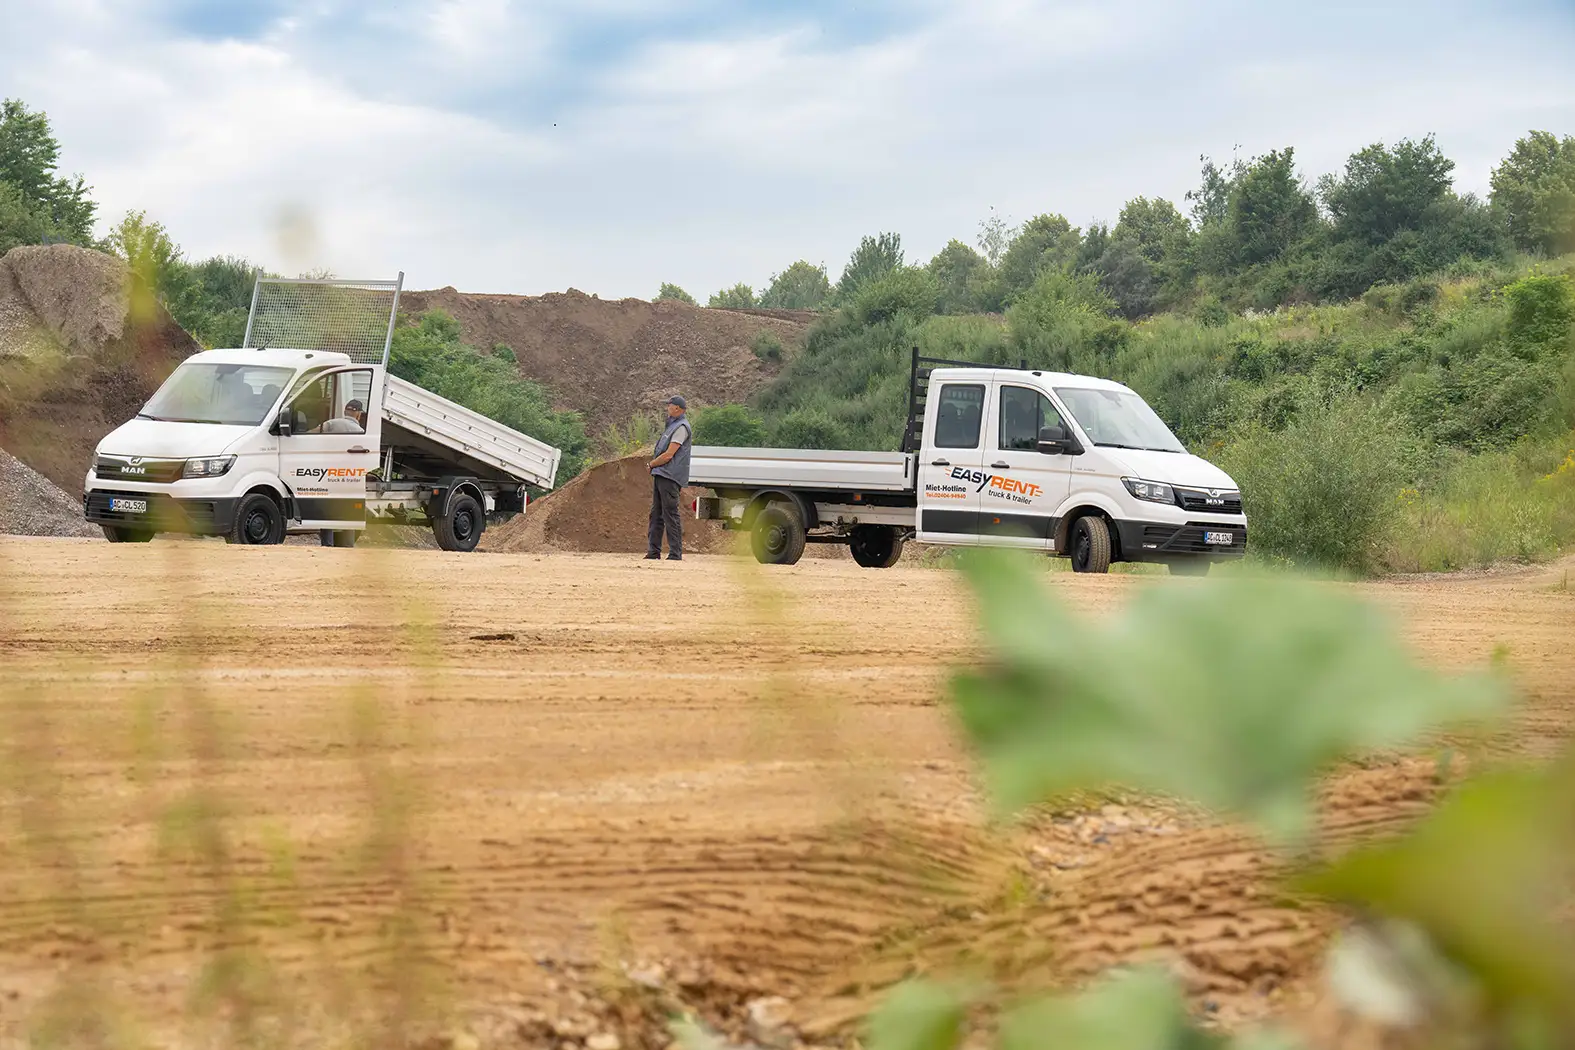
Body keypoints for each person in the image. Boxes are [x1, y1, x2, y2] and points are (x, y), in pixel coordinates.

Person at [645, 394, 691, 560]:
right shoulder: (672, 425)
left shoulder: (681, 427)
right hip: (662, 474)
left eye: (670, 406)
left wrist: (651, 464)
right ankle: (653, 552)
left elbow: (668, 455)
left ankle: (675, 553)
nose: (668, 408)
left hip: (669, 475)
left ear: (677, 408)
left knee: (670, 513)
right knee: (656, 513)